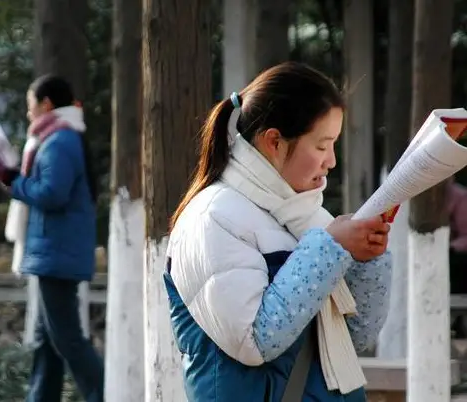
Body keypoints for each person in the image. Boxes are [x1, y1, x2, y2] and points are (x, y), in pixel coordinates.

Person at [164, 62, 392, 401]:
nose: (331, 161)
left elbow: (357, 338)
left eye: (334, 145)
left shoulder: (311, 218)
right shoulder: (213, 217)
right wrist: (330, 249)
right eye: (321, 145)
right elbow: (254, 341)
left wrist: (368, 260)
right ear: (275, 142)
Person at [1, 74, 104, 402]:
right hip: (55, 251)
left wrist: (15, 183)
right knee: (48, 341)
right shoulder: (59, 138)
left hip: (56, 255)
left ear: (46, 105)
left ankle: (105, 393)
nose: (29, 114)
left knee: (67, 339)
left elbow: (52, 193)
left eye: (31, 106)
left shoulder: (59, 141)